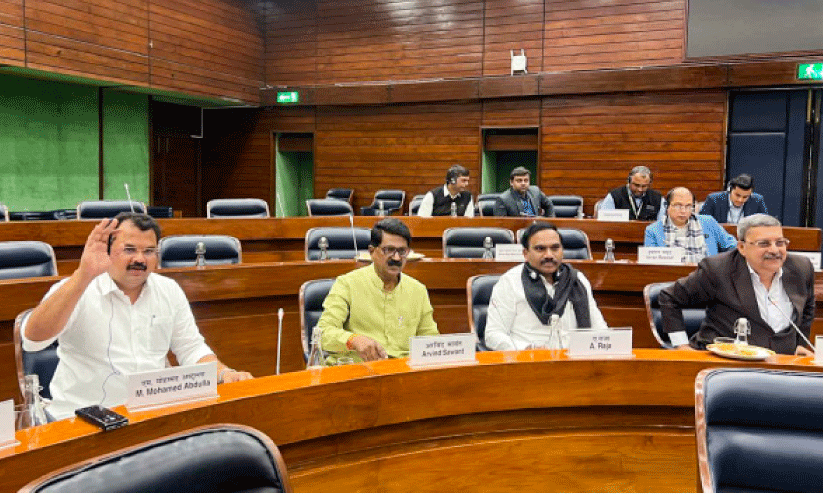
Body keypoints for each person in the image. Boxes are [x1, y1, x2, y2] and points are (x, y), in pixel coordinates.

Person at [22, 212, 252, 421]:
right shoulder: (79, 288)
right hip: (82, 418)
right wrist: (84, 274)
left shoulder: (168, 290)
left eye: (149, 251)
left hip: (150, 414)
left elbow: (190, 348)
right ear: (107, 251)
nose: (140, 259)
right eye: (129, 250)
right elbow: (33, 340)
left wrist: (223, 373)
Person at [659, 214, 814, 355]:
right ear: (742, 247)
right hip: (724, 362)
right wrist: (681, 346)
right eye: (764, 243)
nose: (774, 250)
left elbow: (807, 309)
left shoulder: (801, 268)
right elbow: (669, 297)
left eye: (780, 243)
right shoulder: (718, 269)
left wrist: (800, 344)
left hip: (782, 362)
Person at [318, 218, 438, 361]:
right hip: (359, 368)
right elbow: (323, 333)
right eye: (389, 250)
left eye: (402, 251)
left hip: (402, 369)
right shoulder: (347, 284)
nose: (397, 258)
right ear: (372, 251)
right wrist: (353, 340)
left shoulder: (418, 290)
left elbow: (430, 342)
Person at [484, 222, 608, 351]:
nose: (549, 255)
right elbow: (493, 334)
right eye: (540, 249)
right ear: (525, 253)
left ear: (562, 251)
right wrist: (525, 350)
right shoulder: (510, 282)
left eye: (555, 248)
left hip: (575, 357)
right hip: (529, 359)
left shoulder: (578, 280)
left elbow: (599, 328)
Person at [644, 187, 737, 263]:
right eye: (678, 206)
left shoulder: (708, 222)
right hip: (671, 276)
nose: (683, 211)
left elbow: (733, 246)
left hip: (706, 276)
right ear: (667, 206)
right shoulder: (653, 230)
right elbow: (650, 262)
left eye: (688, 206)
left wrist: (720, 264)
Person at [699, 173, 768, 224]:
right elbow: (702, 223)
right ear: (730, 190)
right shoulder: (713, 199)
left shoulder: (757, 200)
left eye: (745, 197)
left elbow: (765, 224)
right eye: (737, 195)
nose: (740, 200)